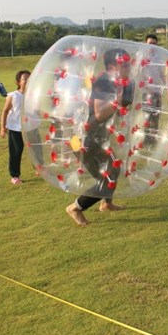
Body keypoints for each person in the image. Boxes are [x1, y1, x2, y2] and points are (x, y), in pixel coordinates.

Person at [66, 48, 133, 226]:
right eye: (124, 64)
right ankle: (76, 208)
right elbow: (99, 113)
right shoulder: (104, 81)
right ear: (113, 66)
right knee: (107, 176)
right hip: (86, 139)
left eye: (128, 63)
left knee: (112, 170)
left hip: (93, 137)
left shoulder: (116, 82)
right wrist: (120, 99)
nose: (128, 67)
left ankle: (106, 203)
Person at [0, 70, 30, 185]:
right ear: (18, 82)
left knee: (35, 150)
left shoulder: (33, 95)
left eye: (29, 78)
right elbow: (5, 111)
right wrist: (3, 128)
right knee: (16, 152)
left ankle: (38, 170)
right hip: (15, 128)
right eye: (25, 78)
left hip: (29, 128)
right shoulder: (13, 95)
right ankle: (14, 175)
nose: (27, 80)